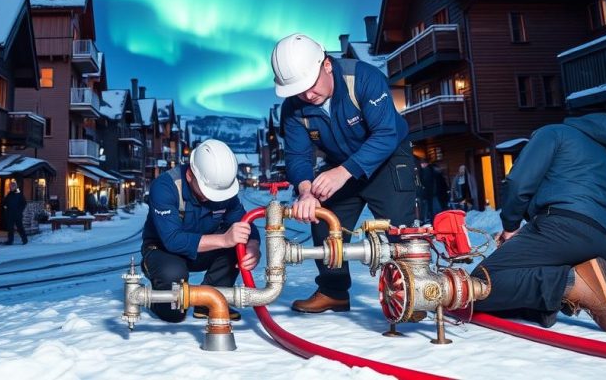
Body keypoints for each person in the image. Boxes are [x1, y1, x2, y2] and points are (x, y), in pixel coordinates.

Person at [272, 33, 416, 314]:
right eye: (298, 90)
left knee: (399, 229)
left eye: (310, 86)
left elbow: (386, 134)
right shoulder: (293, 108)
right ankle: (333, 290)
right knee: (324, 219)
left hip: (387, 158)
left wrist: (344, 172)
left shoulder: (362, 78)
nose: (307, 95)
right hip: (340, 163)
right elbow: (298, 155)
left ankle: (410, 292)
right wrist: (306, 190)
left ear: (326, 64)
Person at [473, 113, 606, 332]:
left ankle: (570, 284)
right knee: (522, 273)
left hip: (562, 228)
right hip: (605, 244)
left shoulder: (553, 133)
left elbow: (518, 182)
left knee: (479, 283)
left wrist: (511, 226)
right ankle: (549, 301)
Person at [142, 139, 261, 322]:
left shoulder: (221, 187)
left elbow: (243, 223)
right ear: (190, 175)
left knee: (238, 246)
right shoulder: (165, 187)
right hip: (164, 251)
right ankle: (158, 296)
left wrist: (252, 245)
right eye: (208, 191)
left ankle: (209, 300)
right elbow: (172, 240)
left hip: (203, 250)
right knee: (174, 312)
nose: (213, 198)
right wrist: (223, 240)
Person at [417, 159, 439, 224]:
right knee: (430, 206)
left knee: (428, 206)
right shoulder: (430, 170)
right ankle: (430, 218)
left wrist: (423, 188)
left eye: (422, 163)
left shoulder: (426, 170)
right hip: (431, 192)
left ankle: (428, 219)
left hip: (428, 192)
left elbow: (426, 181)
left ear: (425, 164)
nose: (421, 165)